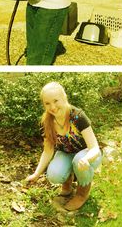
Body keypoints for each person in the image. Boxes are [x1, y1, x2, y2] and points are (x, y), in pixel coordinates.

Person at [26, 82, 102, 211]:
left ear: (64, 98)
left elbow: (94, 147)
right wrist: (36, 173)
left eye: (56, 100)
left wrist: (87, 159)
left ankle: (81, 194)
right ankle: (67, 186)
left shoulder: (78, 116)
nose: (53, 107)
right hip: (66, 153)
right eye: (47, 103)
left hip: (87, 154)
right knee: (54, 175)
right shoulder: (46, 122)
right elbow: (48, 151)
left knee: (78, 160)